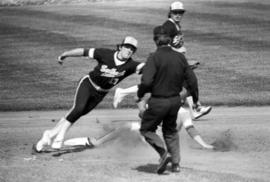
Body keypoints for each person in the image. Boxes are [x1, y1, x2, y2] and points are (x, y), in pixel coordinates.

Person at [32, 36, 145, 153]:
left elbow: (147, 68)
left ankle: (49, 135)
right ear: (121, 47)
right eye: (127, 47)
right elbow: (83, 51)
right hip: (88, 84)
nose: (129, 50)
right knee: (78, 108)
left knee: (77, 114)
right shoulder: (105, 54)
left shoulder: (131, 65)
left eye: (132, 49)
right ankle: (60, 136)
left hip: (100, 94)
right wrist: (65, 54)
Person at [136, 25, 199, 174]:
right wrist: (195, 99)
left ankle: (164, 154)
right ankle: (176, 164)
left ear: (155, 40)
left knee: (146, 129)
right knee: (170, 131)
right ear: (170, 40)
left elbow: (146, 82)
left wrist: (140, 95)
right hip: (175, 102)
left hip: (158, 102)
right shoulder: (180, 57)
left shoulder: (154, 57)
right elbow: (192, 80)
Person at [162, 1, 212, 119]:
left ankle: (195, 110)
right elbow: (163, 44)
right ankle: (195, 108)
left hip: (178, 60)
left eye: (180, 12)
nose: (178, 15)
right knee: (192, 81)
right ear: (170, 12)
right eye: (175, 12)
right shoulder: (168, 26)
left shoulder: (176, 25)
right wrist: (178, 52)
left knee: (187, 85)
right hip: (172, 61)